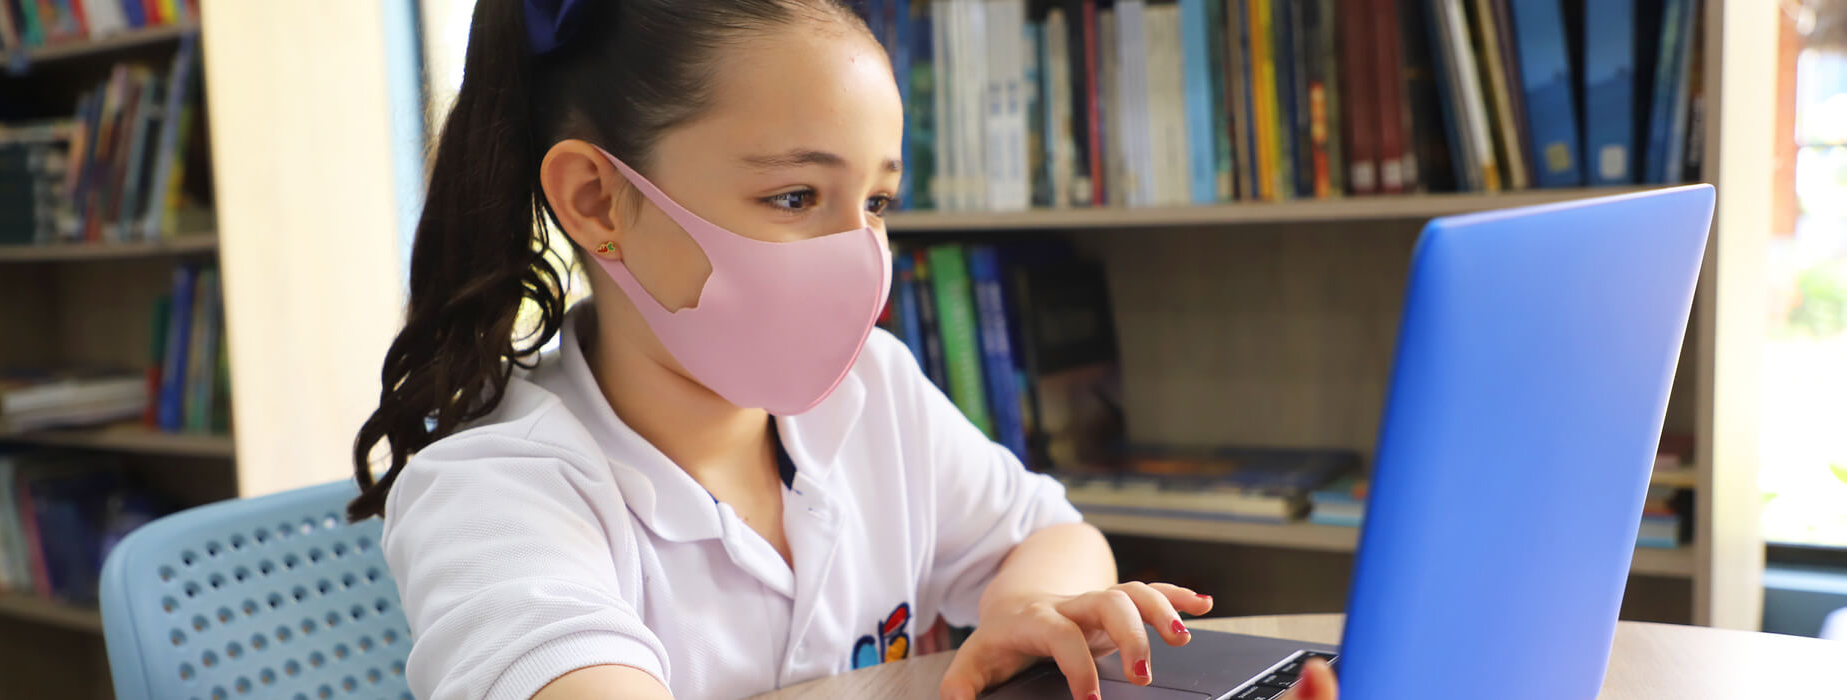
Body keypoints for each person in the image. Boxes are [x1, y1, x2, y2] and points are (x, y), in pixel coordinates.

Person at [351, 1, 1339, 699]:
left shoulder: (872, 394)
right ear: (597, 202)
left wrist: (1034, 606)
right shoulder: (497, 492)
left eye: (876, 201)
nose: (860, 255)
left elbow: (1046, 532)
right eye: (794, 196)